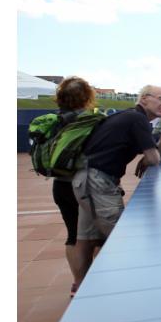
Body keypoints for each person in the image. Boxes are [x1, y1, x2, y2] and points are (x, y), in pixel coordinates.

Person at [69, 85, 161, 292]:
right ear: (144, 99)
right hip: (97, 184)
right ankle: (124, 291)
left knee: (86, 239)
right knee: (122, 240)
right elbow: (155, 158)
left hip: (86, 181)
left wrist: (154, 149)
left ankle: (84, 289)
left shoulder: (130, 117)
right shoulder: (138, 119)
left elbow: (151, 157)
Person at [50, 76, 97, 297]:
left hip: (60, 185)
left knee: (72, 234)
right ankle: (93, 281)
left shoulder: (51, 120)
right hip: (86, 185)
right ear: (88, 97)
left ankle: (78, 282)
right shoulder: (92, 121)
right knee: (92, 235)